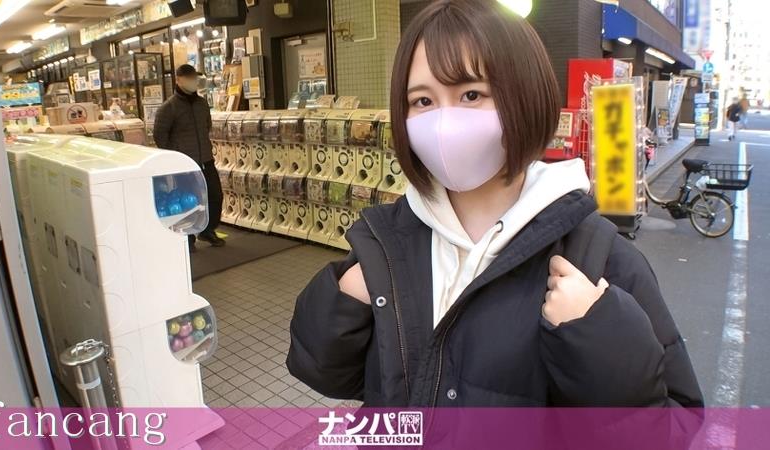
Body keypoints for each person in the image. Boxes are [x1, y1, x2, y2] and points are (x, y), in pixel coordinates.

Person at [287, 0, 702, 419]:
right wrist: (344, 298)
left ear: (525, 96)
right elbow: (324, 373)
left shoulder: (597, 258)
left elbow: (676, 424)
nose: (444, 123)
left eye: (471, 94)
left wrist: (598, 336)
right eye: (423, 101)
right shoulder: (385, 243)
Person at [154, 64, 224, 251]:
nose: (193, 82)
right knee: (189, 200)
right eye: (189, 78)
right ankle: (188, 237)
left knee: (215, 196)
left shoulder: (202, 104)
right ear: (178, 80)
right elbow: (160, 136)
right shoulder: (168, 108)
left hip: (206, 159)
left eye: (194, 78)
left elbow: (206, 127)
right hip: (185, 164)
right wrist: (175, 154)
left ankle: (207, 230)